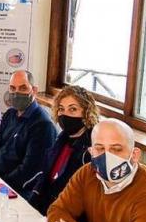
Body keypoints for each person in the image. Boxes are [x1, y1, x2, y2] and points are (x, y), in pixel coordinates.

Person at [22, 85, 98, 214]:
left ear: (86, 113)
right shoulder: (61, 139)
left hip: (65, 214)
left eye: (73, 109)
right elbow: (45, 177)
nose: (65, 115)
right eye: (61, 109)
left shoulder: (91, 150)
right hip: (45, 206)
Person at [0, 70, 57, 189]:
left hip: (16, 188)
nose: (16, 93)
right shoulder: (10, 114)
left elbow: (29, 171)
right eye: (12, 88)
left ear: (34, 91)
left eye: (23, 88)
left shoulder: (43, 125)